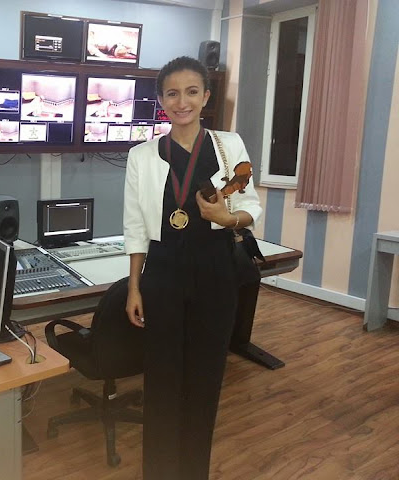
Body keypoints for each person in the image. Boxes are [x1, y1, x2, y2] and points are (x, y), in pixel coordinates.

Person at [123, 56, 262, 479]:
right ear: (161, 100)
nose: (181, 101)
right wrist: (134, 287)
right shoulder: (142, 155)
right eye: (172, 93)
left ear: (206, 96)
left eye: (191, 91)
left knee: (205, 379)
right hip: (162, 274)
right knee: (162, 380)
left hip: (216, 272)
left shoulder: (229, 146)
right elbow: (135, 226)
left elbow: (250, 207)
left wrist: (226, 218)